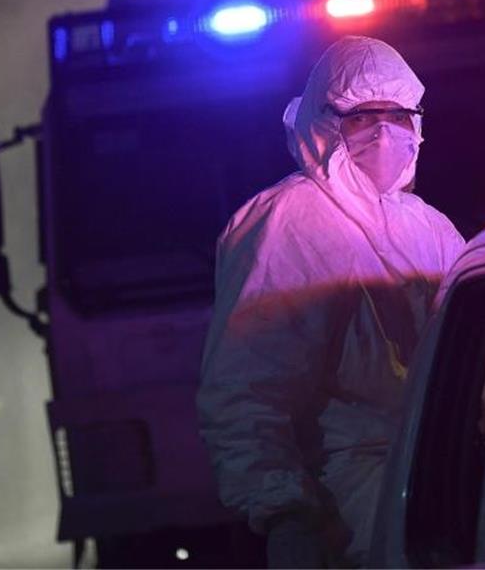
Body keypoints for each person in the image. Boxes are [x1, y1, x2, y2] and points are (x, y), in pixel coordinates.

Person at [197, 36, 466, 567]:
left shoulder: (429, 227)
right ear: (323, 125)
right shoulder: (286, 222)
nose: (385, 133)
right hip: (346, 507)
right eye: (363, 116)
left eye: (398, 115)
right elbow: (245, 387)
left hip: (447, 484)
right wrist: (282, 509)